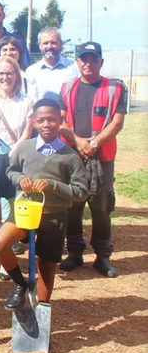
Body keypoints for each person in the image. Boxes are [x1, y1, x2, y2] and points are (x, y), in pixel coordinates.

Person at [0, 98, 88, 310]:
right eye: (41, 120)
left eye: (52, 120)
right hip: (25, 211)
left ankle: (42, 309)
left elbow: (81, 192)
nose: (47, 124)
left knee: (47, 265)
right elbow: (11, 170)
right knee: (0, 242)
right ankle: (20, 284)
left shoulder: (70, 157)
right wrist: (20, 179)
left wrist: (53, 185)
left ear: (61, 121)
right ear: (33, 122)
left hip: (54, 216)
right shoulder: (25, 148)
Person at [58, 41, 126, 278]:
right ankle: (75, 253)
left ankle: (102, 256)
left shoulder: (115, 88)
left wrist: (94, 144)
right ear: (77, 62)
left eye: (93, 59)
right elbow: (61, 120)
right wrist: (77, 142)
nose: (88, 63)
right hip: (74, 155)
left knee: (101, 206)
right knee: (72, 206)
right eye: (83, 59)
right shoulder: (67, 88)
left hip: (102, 156)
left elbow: (117, 122)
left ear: (101, 62)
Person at [0, 56, 35, 277]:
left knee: (11, 206)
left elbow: (27, 133)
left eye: (9, 73)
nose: (5, 78)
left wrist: (13, 154)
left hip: (14, 160)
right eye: (1, 73)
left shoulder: (27, 101)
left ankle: (5, 260)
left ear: (17, 76)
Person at [25, 27, 78, 104]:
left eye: (53, 42)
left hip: (67, 115)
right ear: (39, 45)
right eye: (45, 43)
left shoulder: (74, 67)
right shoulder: (31, 71)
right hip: (40, 115)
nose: (49, 46)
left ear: (60, 43)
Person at [0, 36, 30, 100]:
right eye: (5, 50)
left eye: (13, 49)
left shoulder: (27, 78)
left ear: (19, 53)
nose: (9, 53)